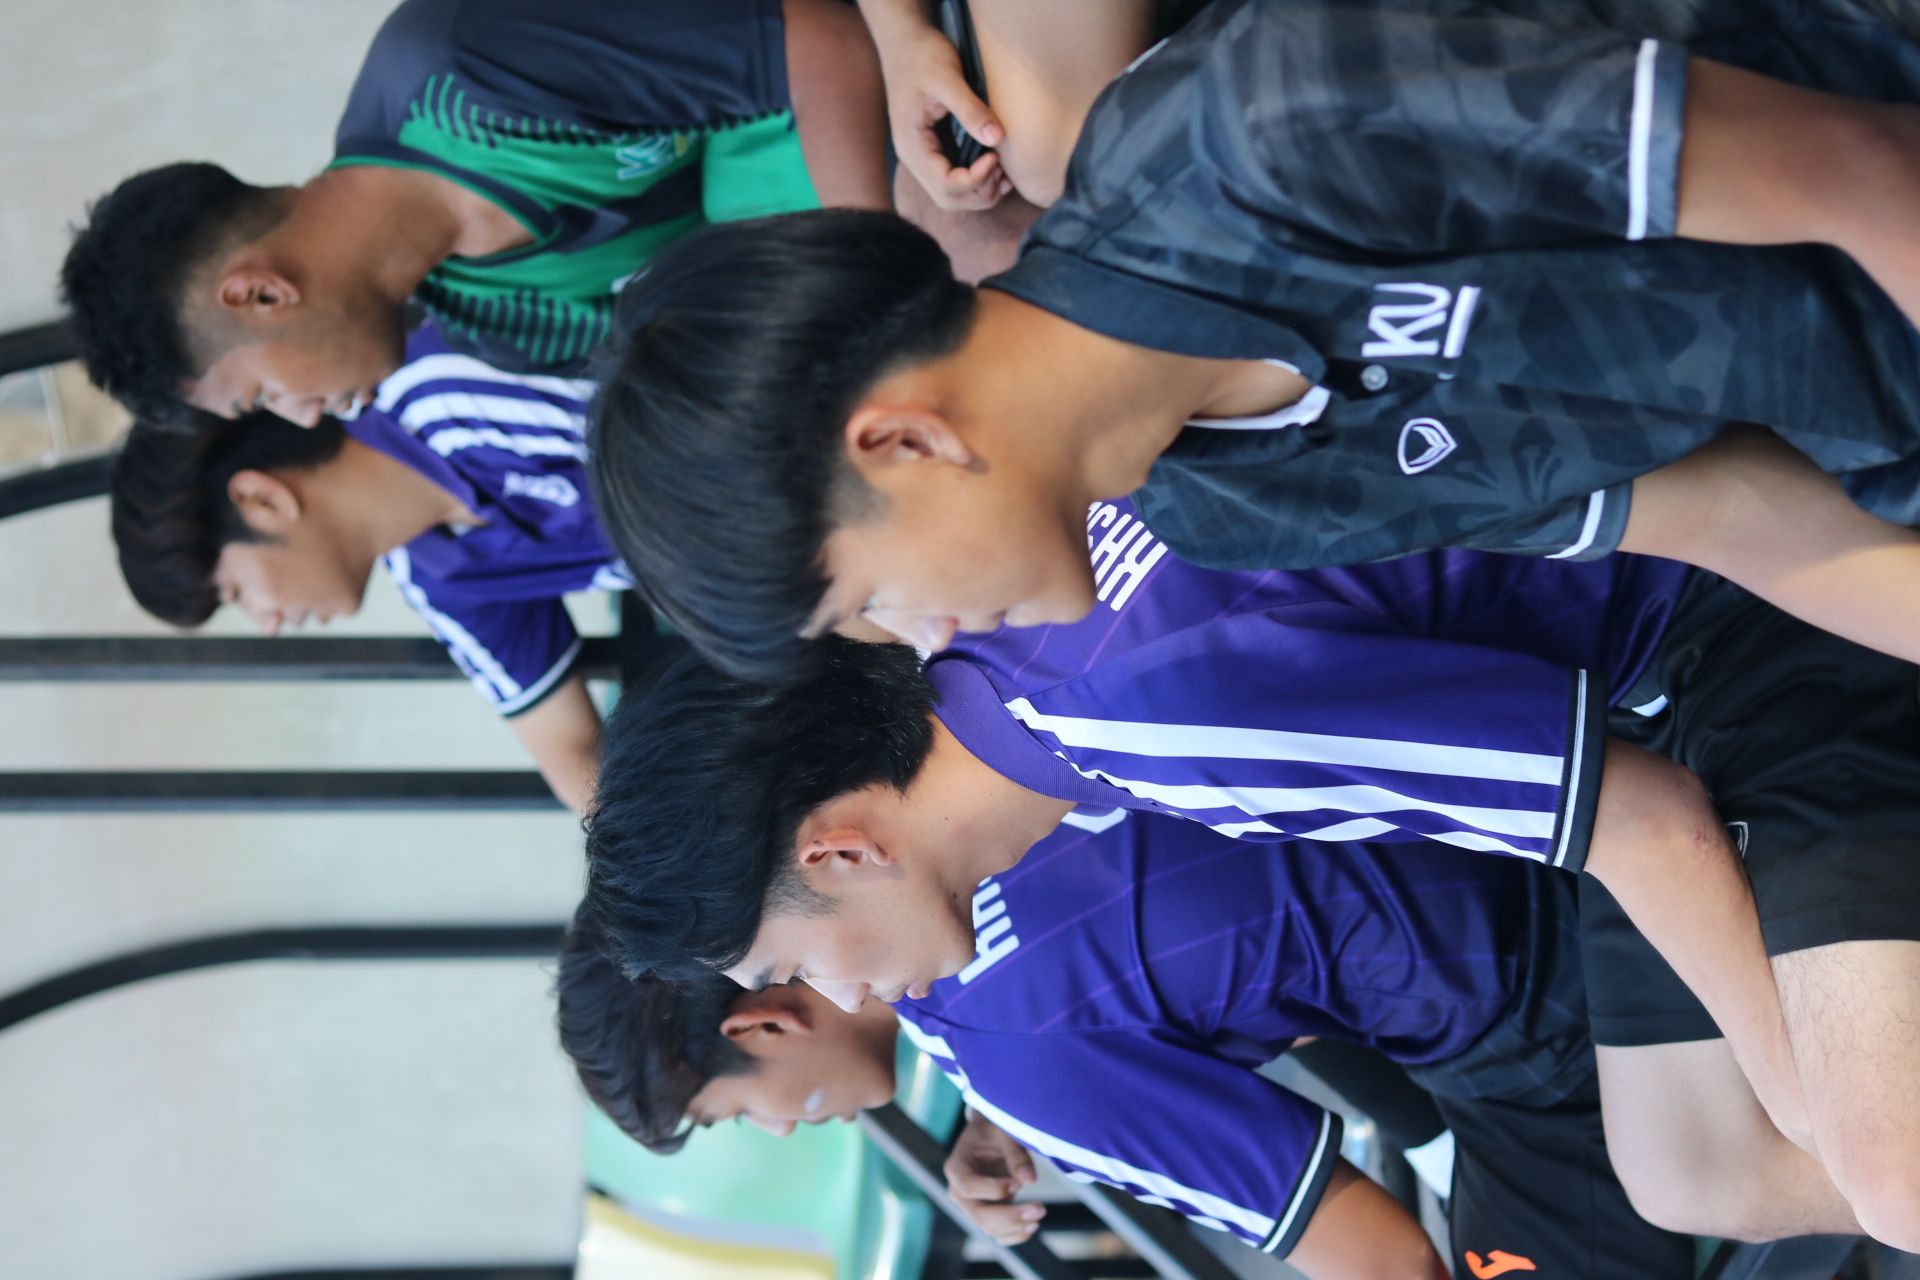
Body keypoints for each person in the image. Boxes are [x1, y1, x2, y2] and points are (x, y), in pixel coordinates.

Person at [583, 513, 1920, 1248]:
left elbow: (1648, 822)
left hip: (1727, 613)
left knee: (1878, 1159)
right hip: (1634, 708)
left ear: (838, 851)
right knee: (1698, 1178)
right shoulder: (1011, 677)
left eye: (793, 965)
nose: (836, 994)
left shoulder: (1138, 719)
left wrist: (1813, 1102)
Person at [588, 0, 1920, 684]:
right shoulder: (1228, 513)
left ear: (899, 442)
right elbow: (1745, 521)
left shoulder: (1241, 141)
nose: (928, 638)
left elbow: (1862, 172)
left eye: (867, 602)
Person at [562, 810, 1700, 1278]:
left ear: (761, 1018)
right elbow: (1068, 951)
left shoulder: (1011, 1059)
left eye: (737, 1111)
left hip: (1534, 978)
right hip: (1486, 814)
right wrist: (991, 1110)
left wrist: (1013, 1098)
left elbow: (1381, 1255)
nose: (778, 1128)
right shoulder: (919, 805)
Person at [60, 0, 889, 425]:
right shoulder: (502, 332)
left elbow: (823, 44)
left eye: (263, 397)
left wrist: (890, 296)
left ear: (261, 293)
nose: (305, 417)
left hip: (900, 82)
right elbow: (736, 346)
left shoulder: (462, 76)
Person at [108, 325, 632, 815]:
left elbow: (686, 431)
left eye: (236, 592)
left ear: (261, 500)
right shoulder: (437, 579)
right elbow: (573, 757)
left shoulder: (445, 393)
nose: (267, 623)